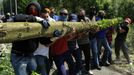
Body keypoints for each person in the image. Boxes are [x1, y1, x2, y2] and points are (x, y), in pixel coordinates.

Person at [10, 2, 49, 75]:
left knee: (35, 72)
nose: (33, 11)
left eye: (35, 9)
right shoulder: (23, 18)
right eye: (31, 9)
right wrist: (37, 18)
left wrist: (54, 36)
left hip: (30, 55)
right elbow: (16, 18)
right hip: (19, 56)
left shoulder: (39, 24)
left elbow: (43, 41)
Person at [50, 8, 76, 75]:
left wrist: (72, 34)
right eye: (62, 14)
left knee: (72, 65)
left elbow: (67, 39)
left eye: (65, 14)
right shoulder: (54, 24)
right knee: (63, 73)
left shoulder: (67, 25)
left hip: (65, 51)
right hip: (57, 53)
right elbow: (51, 40)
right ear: (59, 15)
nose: (63, 15)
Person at [33, 7, 55, 75]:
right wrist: (56, 37)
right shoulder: (37, 23)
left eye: (47, 17)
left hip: (45, 54)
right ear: (40, 15)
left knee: (47, 70)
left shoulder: (51, 21)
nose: (45, 18)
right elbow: (46, 44)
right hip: (37, 54)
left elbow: (54, 22)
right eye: (43, 17)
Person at [77, 9, 93, 74]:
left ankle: (88, 69)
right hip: (78, 42)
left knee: (88, 57)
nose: (82, 15)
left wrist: (87, 31)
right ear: (78, 14)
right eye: (80, 14)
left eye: (83, 13)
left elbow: (91, 27)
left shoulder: (87, 19)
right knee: (79, 58)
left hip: (86, 41)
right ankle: (79, 70)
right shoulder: (76, 20)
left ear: (85, 13)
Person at [88, 6, 101, 70]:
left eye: (94, 10)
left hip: (94, 38)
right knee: (89, 54)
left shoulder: (95, 18)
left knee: (95, 52)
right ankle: (89, 67)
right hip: (88, 38)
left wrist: (97, 29)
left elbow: (98, 27)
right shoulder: (87, 17)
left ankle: (97, 65)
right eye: (92, 10)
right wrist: (91, 30)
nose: (93, 11)